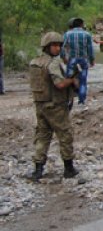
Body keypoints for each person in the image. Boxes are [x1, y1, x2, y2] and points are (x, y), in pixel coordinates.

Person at [27, 32, 79, 181]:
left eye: (59, 45)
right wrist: (72, 80)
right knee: (65, 134)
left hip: (40, 104)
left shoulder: (35, 62)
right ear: (47, 47)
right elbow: (60, 84)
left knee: (42, 136)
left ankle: (38, 170)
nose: (57, 48)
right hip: (55, 105)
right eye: (54, 45)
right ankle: (69, 168)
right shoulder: (53, 63)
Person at [62, 18, 95, 104]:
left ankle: (68, 99)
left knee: (69, 78)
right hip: (83, 60)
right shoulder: (87, 34)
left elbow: (62, 47)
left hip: (72, 60)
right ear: (81, 25)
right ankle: (81, 100)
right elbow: (90, 49)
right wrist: (92, 60)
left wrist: (64, 58)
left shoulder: (67, 34)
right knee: (83, 80)